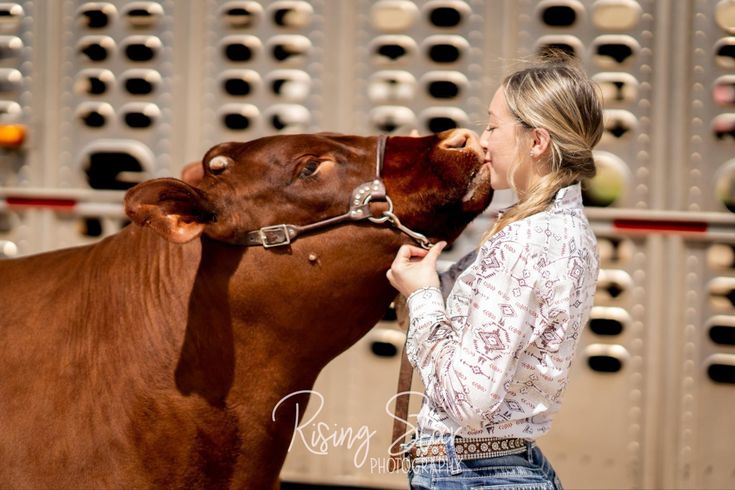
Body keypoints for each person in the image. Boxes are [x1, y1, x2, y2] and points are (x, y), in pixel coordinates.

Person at [386, 53, 604, 489]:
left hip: (469, 473)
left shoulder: (523, 241)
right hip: (504, 463)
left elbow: (468, 401)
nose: (482, 141)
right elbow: (451, 312)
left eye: (493, 126)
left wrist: (424, 295)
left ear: (537, 142)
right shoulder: (569, 231)